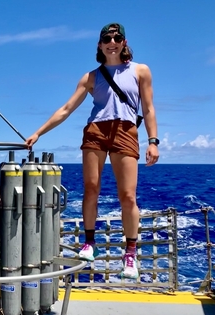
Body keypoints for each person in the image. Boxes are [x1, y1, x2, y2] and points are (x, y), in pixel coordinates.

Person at [25, 23, 159, 279]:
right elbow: (66, 109)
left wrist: (153, 140)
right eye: (107, 38)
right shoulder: (91, 77)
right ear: (99, 45)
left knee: (128, 196)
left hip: (125, 130)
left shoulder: (140, 70)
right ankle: (89, 244)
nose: (112, 41)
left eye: (117, 37)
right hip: (96, 131)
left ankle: (130, 253)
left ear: (124, 41)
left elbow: (149, 108)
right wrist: (38, 132)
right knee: (91, 189)